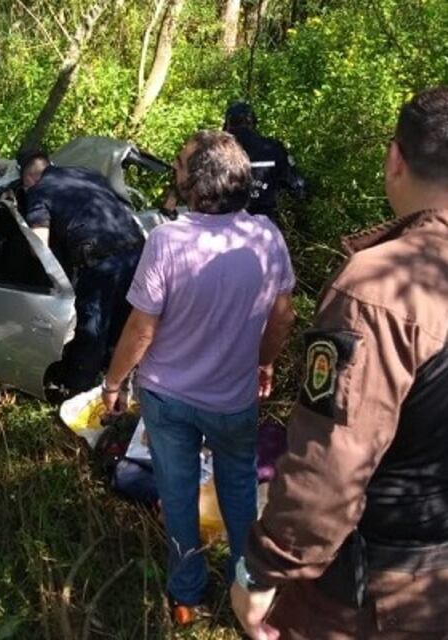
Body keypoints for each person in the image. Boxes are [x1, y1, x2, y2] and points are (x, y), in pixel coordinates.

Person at [231, 88, 448, 640]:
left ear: (395, 158)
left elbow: (333, 463)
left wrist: (262, 571)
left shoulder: (379, 289)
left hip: (376, 590)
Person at [100, 131, 297, 625]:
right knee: (239, 490)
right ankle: (246, 589)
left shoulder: (167, 240)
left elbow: (142, 328)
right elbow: (284, 315)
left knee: (178, 492)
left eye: (180, 166)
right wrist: (264, 361)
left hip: (168, 398)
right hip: (233, 399)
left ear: (197, 183)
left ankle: (186, 594)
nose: (175, 172)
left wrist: (113, 383)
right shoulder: (266, 236)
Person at [20, 151, 144, 398]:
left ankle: (80, 393)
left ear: (28, 178)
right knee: (129, 323)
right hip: (139, 253)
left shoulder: (39, 190)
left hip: (102, 264)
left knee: (92, 332)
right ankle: (127, 386)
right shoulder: (86, 173)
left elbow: (39, 247)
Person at [224, 101, 307, 226]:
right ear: (253, 122)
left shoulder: (216, 152)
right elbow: (298, 186)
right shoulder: (273, 148)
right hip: (265, 226)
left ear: (227, 124)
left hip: (226, 226)